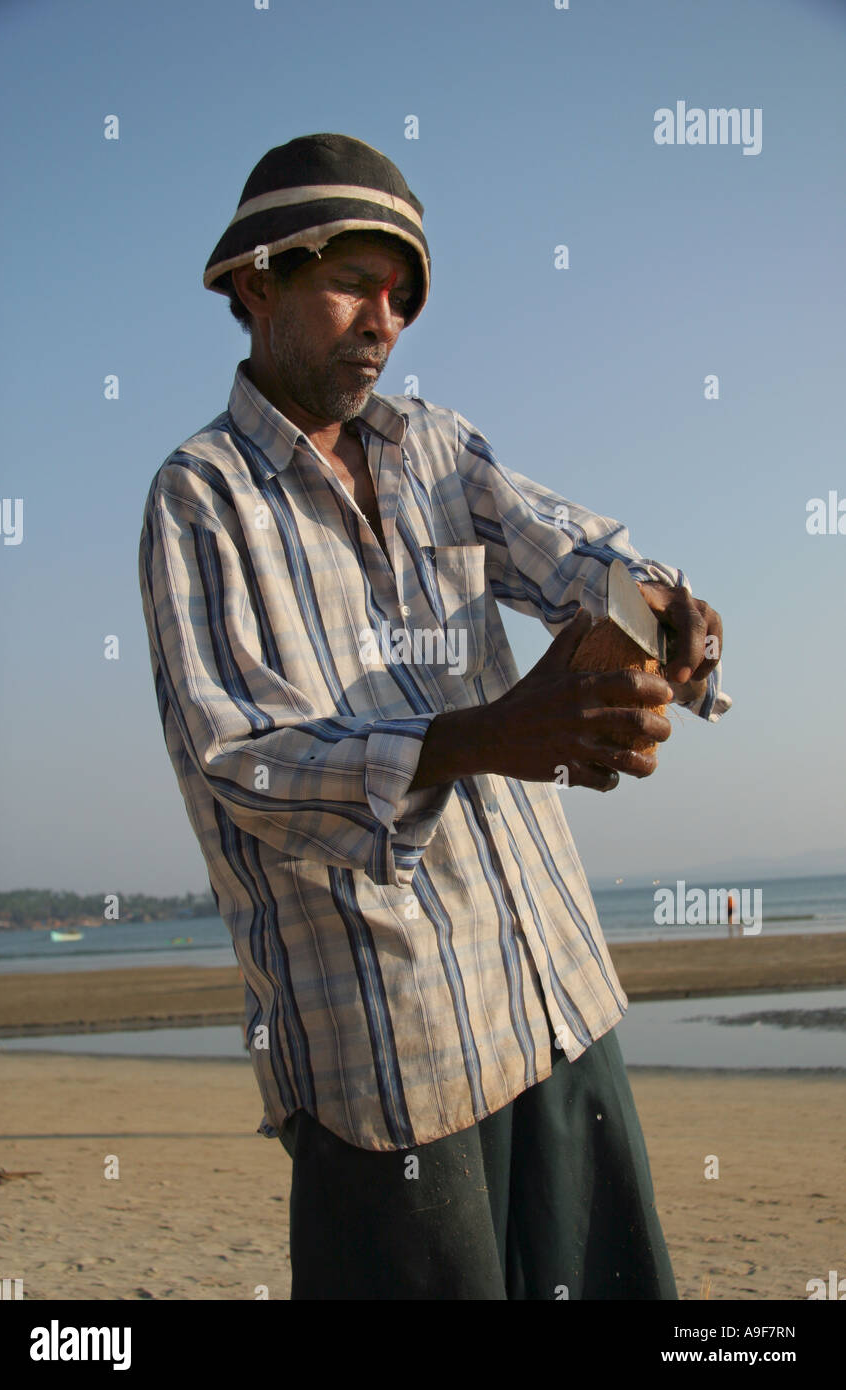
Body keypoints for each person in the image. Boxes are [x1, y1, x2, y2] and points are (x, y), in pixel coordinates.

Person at [138, 132, 731, 1300]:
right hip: (390, 1062)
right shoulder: (199, 498)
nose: (384, 319)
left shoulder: (433, 449)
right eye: (352, 283)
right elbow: (240, 763)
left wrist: (664, 614)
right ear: (255, 284)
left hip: (558, 1000)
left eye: (400, 296)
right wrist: (488, 734)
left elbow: (579, 559)